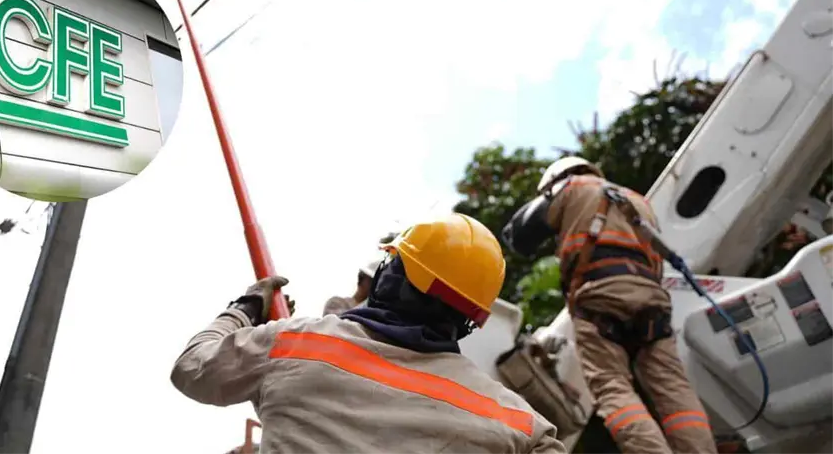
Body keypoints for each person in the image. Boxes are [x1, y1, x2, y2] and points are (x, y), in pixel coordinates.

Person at [170, 213, 567, 453]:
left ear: (392, 276)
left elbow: (192, 368)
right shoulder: (516, 422)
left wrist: (246, 308)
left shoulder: (294, 343)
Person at [501, 156, 717, 454]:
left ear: (555, 180)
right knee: (675, 393)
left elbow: (519, 234)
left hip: (600, 298)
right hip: (652, 302)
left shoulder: (571, 186)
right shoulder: (637, 200)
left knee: (613, 388)